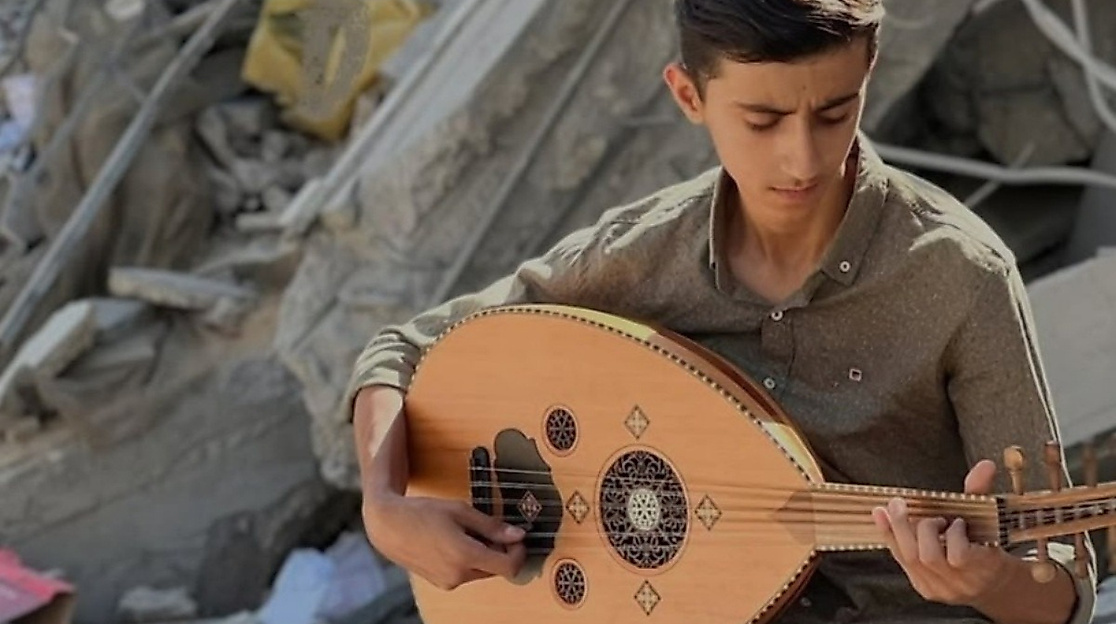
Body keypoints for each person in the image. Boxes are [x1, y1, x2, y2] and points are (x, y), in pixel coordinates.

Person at [345, 1, 1097, 622]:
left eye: (834, 113)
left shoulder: (959, 275)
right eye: (763, 121)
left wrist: (987, 583)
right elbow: (406, 349)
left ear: (870, 72)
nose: (802, 159)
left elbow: (1063, 583)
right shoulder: (645, 252)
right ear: (689, 96)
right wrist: (385, 509)